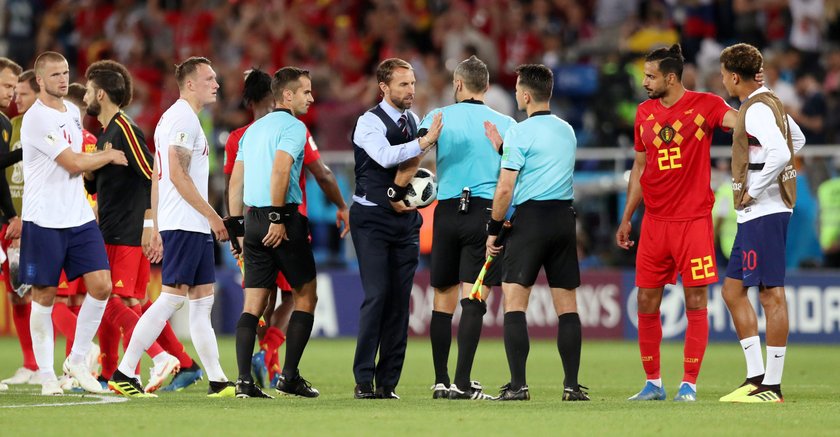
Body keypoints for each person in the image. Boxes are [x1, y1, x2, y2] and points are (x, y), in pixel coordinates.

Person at [616, 44, 739, 402]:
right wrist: (627, 218)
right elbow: (640, 168)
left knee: (696, 300)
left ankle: (689, 384)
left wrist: (763, 109)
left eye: (650, 76)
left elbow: (738, 122)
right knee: (646, 301)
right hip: (654, 223)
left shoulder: (707, 106)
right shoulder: (643, 114)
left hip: (694, 221)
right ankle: (653, 383)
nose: (644, 82)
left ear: (671, 77)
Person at [110, 56, 233, 398]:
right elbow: (176, 174)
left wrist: (153, 223)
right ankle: (124, 371)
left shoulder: (176, 118)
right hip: (187, 222)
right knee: (170, 300)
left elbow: (156, 173)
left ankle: (219, 379)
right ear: (190, 84)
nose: (216, 84)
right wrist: (211, 215)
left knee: (201, 302)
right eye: (209, 78)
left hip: (186, 222)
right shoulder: (183, 119)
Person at [223, 69, 349, 390]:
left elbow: (236, 181)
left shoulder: (251, 131)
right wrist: (278, 218)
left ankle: (242, 381)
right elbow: (281, 169)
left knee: (253, 306)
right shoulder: (294, 127)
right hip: (284, 219)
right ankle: (289, 377)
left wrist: (237, 224)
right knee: (306, 296)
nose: (311, 98)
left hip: (251, 221)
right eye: (306, 92)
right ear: (287, 96)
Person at [20, 51, 128, 395]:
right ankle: (47, 375)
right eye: (54, 75)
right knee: (44, 296)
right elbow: (71, 163)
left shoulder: (72, 111)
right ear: (40, 80)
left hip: (78, 216)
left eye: (65, 73)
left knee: (102, 286)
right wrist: (109, 155)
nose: (63, 80)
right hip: (44, 219)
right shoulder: (35, 119)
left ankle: (77, 360)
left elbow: (80, 158)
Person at [83, 60, 189, 393]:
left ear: (100, 93)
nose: (86, 95)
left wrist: (149, 224)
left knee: (109, 297)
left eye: (88, 89)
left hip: (128, 231)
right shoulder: (105, 136)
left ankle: (162, 358)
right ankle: (123, 372)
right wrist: (89, 175)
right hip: (112, 229)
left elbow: (149, 174)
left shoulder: (125, 127)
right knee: (125, 303)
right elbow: (98, 188)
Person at [484, 64, 587, 402]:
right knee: (567, 307)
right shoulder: (567, 130)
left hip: (530, 222)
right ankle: (572, 387)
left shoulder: (520, 131)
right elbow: (543, 165)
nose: (515, 94)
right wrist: (503, 148)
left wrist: (493, 230)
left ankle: (518, 386)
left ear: (526, 95)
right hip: (562, 219)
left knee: (514, 303)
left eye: (516, 89)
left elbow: (505, 188)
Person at [421, 55, 515, 400]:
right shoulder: (505, 122)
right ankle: (462, 382)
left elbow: (415, 151)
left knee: (442, 297)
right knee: (474, 297)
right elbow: (517, 173)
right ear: (487, 87)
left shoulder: (437, 117)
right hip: (484, 213)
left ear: (457, 85)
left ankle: (441, 380)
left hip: (444, 212)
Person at [718, 43, 805, 403]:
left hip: (763, 211)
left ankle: (773, 385)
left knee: (770, 294)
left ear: (734, 76)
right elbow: (796, 139)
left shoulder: (753, 109)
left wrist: (756, 186)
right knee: (733, 291)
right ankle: (756, 377)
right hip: (757, 213)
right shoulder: (770, 101)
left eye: (723, 74)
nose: (722, 80)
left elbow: (783, 151)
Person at [350, 58, 442, 399]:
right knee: (377, 296)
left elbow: (410, 164)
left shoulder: (413, 120)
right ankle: (363, 380)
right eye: (403, 84)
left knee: (399, 302)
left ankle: (388, 383)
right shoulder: (368, 123)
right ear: (384, 88)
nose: (411, 90)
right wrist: (423, 142)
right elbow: (385, 157)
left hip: (405, 221)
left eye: (413, 83)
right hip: (372, 219)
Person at [0, 57, 23, 392]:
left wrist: (9, 215)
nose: (11, 93)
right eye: (6, 86)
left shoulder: (5, 122)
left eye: (14, 88)